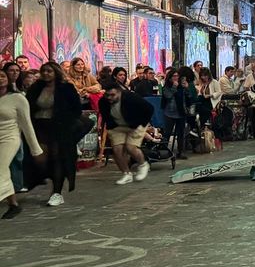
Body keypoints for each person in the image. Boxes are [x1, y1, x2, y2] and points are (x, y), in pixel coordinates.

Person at [26, 62, 84, 207]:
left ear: (56, 72)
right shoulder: (36, 88)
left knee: (58, 158)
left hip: (59, 128)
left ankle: (56, 192)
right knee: (40, 158)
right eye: (43, 71)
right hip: (39, 127)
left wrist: (65, 120)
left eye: (49, 71)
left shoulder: (66, 88)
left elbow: (76, 109)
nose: (46, 73)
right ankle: (43, 178)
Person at [0, 67, 44, 218]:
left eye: (2, 76)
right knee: (3, 171)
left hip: (10, 137)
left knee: (0, 167)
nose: (0, 78)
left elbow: (27, 124)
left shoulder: (18, 98)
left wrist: (35, 149)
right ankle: (13, 204)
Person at [98, 84, 154, 185]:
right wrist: (111, 125)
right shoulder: (103, 102)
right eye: (107, 95)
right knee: (117, 150)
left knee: (131, 147)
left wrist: (142, 123)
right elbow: (105, 115)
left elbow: (149, 109)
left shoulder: (131, 98)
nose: (109, 97)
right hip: (117, 126)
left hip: (135, 124)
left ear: (119, 92)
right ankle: (126, 174)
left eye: (112, 95)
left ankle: (143, 164)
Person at [160, 69, 195, 159]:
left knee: (181, 133)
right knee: (167, 133)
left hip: (180, 112)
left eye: (177, 76)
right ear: (170, 78)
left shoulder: (181, 87)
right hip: (169, 113)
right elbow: (168, 96)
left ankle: (181, 151)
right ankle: (163, 151)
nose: (176, 78)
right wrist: (174, 87)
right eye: (174, 76)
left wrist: (187, 88)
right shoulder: (166, 87)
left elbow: (189, 98)